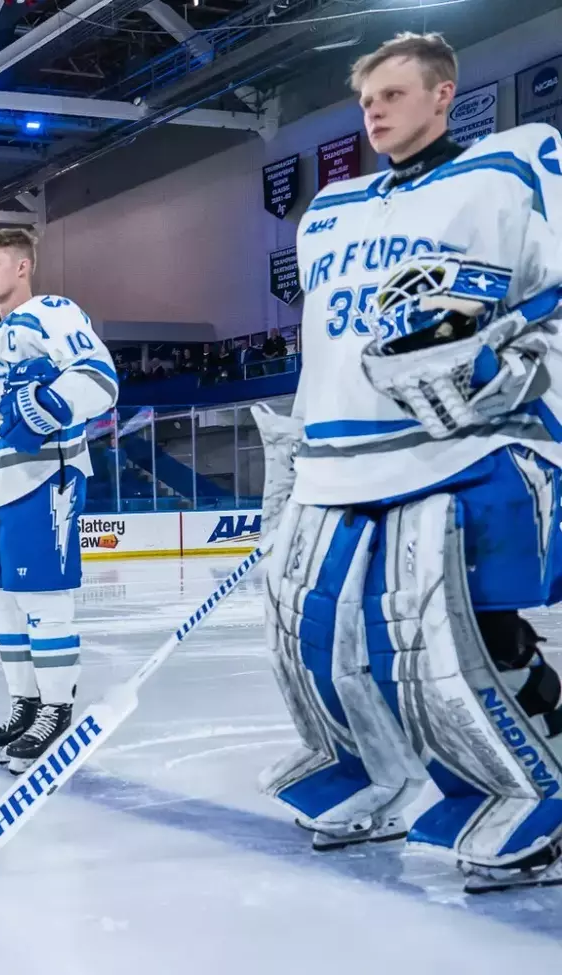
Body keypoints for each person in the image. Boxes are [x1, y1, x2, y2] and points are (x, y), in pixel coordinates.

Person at [252, 32, 562, 893]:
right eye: (366, 101)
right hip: (338, 460)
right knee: (312, 642)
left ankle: (534, 791)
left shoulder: (504, 175)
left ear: (441, 94)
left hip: (454, 448)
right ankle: (371, 776)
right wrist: (297, 443)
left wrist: (511, 366)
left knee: (443, 647)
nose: (375, 112)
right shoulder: (332, 210)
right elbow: (328, 342)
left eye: (392, 95)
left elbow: (546, 302)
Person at [0, 227, 117, 770]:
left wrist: (50, 402)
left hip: (42, 477)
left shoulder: (52, 312)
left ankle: (56, 710)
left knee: (45, 604)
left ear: (24, 267)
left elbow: (100, 379)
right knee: (3, 604)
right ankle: (24, 708)